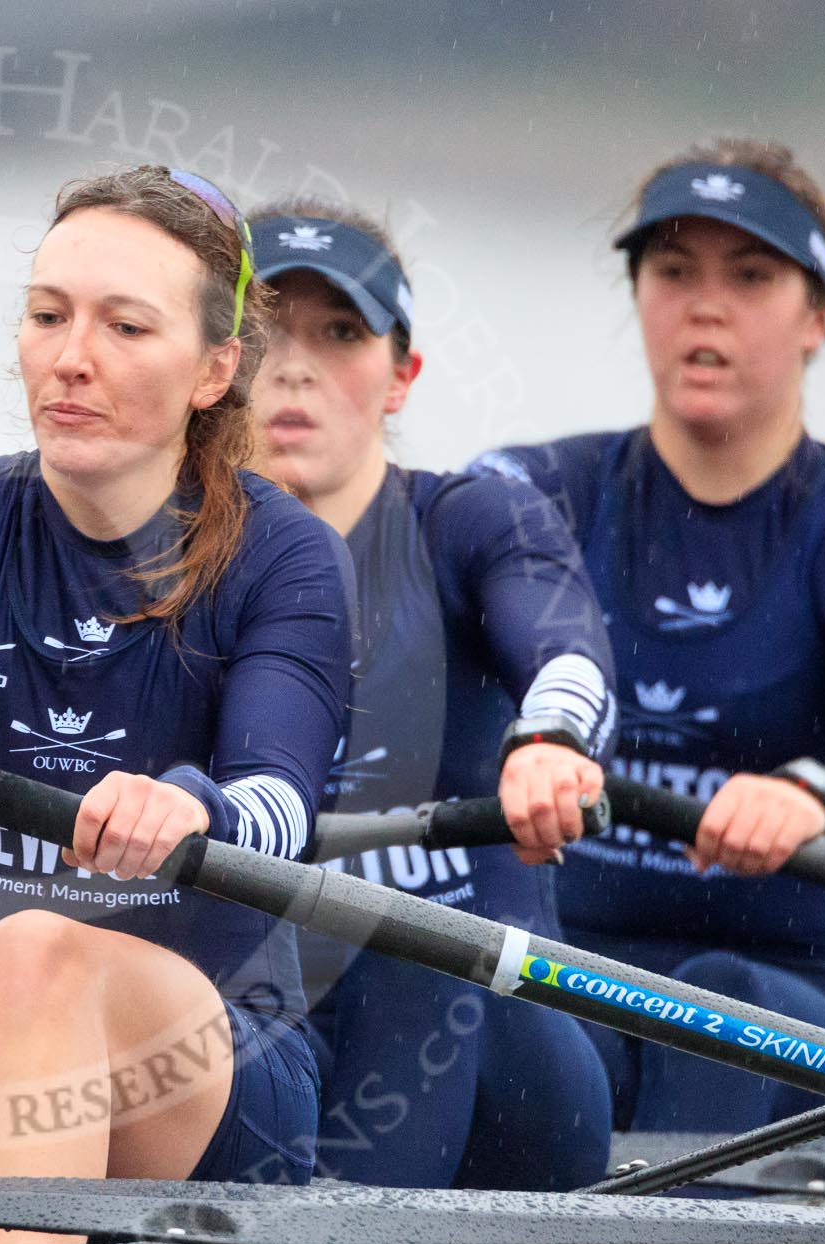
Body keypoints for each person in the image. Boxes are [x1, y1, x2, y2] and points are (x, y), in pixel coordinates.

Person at [0, 166, 352, 1244]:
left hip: (219, 1070)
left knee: (34, 953)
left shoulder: (286, 557)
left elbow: (280, 805)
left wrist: (196, 808)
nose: (70, 356)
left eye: (124, 325)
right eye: (48, 315)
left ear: (214, 368)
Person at [474, 139, 825, 1134]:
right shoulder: (534, 489)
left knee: (722, 991)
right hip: (581, 972)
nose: (707, 304)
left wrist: (810, 794)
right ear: (640, 296)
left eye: (749, 276)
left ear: (817, 317)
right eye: (675, 271)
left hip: (804, 1008)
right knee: (474, 1007)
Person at [246, 200, 614, 1188]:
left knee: (409, 953)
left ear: (402, 376)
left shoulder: (475, 520)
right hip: (283, 1034)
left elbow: (567, 651)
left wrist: (550, 737)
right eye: (263, 328)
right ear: (210, 361)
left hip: (506, 1053)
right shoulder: (156, 557)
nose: (294, 365)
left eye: (340, 333)